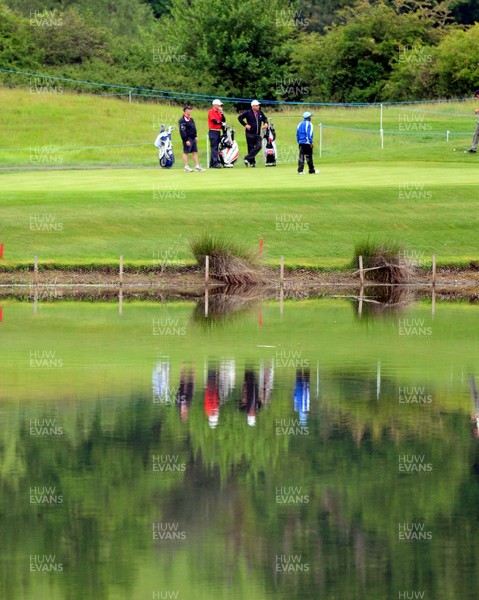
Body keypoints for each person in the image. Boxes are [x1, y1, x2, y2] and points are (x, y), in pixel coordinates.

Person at [238, 100, 268, 167]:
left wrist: (266, 123)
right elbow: (240, 118)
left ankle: (247, 158)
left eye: (258, 105)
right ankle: (252, 163)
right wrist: (245, 125)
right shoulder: (248, 113)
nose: (258, 107)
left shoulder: (260, 113)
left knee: (259, 146)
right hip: (249, 133)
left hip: (257, 133)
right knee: (250, 148)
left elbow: (265, 118)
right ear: (253, 106)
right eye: (257, 105)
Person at [178, 105, 204, 172]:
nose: (190, 111)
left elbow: (194, 128)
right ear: (186, 111)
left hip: (193, 137)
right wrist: (186, 140)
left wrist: (195, 136)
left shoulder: (191, 119)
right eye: (189, 110)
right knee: (186, 152)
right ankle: (186, 167)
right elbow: (182, 131)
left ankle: (197, 166)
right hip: (187, 138)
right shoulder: (182, 120)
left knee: (195, 152)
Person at [207, 99, 225, 168]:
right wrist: (220, 123)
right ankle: (215, 162)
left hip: (218, 131)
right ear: (215, 105)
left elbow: (223, 119)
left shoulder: (219, 112)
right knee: (214, 147)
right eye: (219, 105)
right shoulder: (211, 112)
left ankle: (212, 163)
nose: (220, 106)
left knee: (216, 147)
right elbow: (214, 121)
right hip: (213, 131)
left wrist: (222, 113)